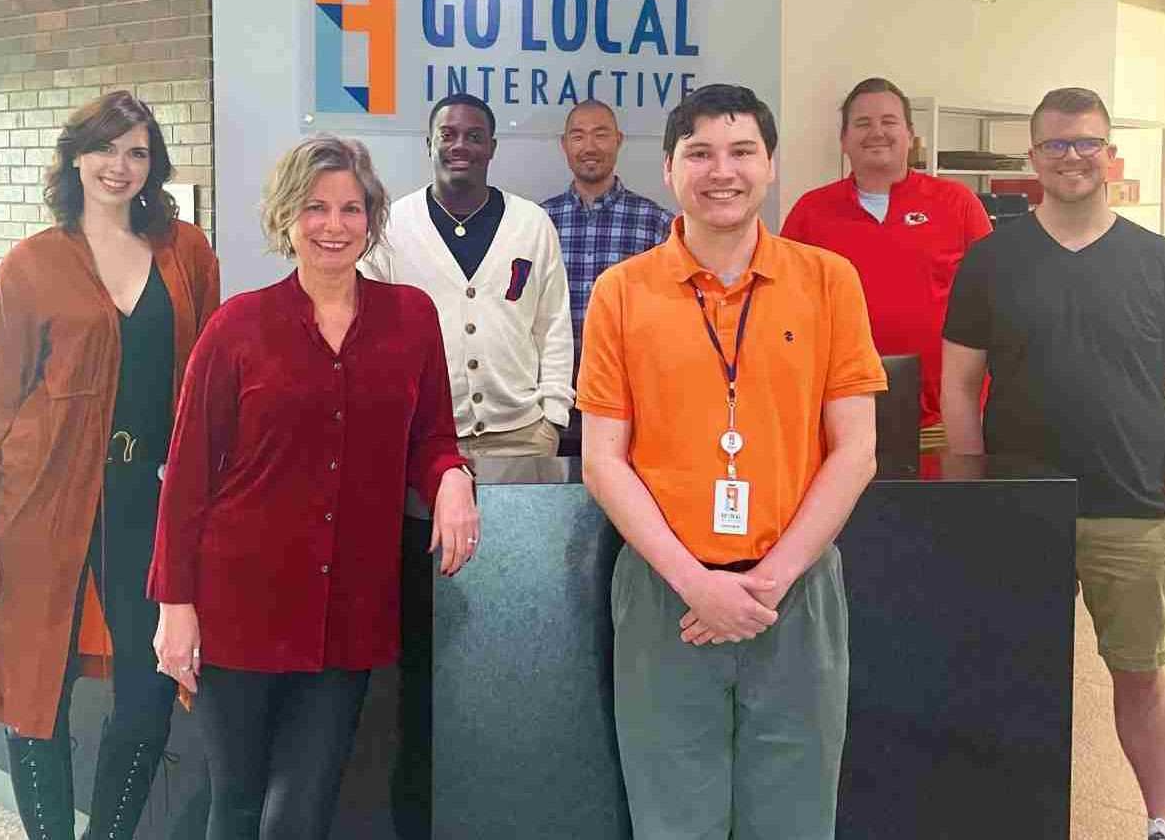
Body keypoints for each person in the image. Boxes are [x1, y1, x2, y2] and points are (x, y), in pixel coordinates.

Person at [148, 135, 479, 840]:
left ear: (371, 218)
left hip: (348, 612)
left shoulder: (411, 318)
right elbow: (187, 479)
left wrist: (452, 476)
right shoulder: (237, 327)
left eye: (351, 208)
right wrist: (175, 606)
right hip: (238, 606)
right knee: (235, 805)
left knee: (301, 814)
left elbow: (433, 437)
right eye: (315, 207)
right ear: (286, 219)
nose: (334, 224)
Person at [578, 83, 886, 839]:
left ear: (772, 165)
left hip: (796, 591)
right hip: (664, 599)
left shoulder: (828, 281)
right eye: (701, 153)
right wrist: (697, 586)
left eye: (743, 151)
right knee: (671, 817)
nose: (724, 170)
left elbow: (856, 449)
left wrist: (768, 580)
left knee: (795, 814)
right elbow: (601, 460)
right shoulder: (622, 293)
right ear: (669, 171)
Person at [941, 87, 1165, 840]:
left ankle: (1164, 821)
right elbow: (958, 386)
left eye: (1087, 142)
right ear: (1033, 158)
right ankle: (1005, 814)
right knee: (1011, 670)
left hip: (1131, 508)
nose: (1073, 156)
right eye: (1057, 144)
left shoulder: (1163, 263)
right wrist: (974, 492)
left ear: (1111, 155)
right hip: (1017, 506)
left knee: (1138, 672)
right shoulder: (990, 260)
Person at [0, 91, 220, 840]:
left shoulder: (187, 252)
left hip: (150, 502)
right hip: (38, 502)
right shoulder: (31, 265)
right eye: (106, 148)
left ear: (154, 165)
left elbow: (205, 381)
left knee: (149, 691)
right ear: (76, 156)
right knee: (34, 687)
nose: (120, 166)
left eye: (138, 152)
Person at [359, 91, 573, 838]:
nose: (461, 145)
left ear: (491, 146)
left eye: (474, 135)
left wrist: (552, 417)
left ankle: (510, 768)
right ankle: (425, 782)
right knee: (432, 622)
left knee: (519, 615)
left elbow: (554, 323)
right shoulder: (395, 229)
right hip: (425, 446)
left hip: (519, 442)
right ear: (428, 143)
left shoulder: (529, 225)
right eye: (448, 134)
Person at [781, 77, 991, 447]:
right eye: (862, 123)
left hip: (945, 419)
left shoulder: (957, 204)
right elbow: (784, 313)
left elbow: (994, 300)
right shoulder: (810, 212)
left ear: (910, 135)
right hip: (840, 417)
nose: (876, 132)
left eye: (889, 122)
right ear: (844, 140)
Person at [542, 99, 674, 373]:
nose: (589, 147)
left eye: (601, 135)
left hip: (631, 385)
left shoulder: (656, 223)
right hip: (555, 387)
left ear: (619, 140)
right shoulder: (539, 222)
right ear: (564, 144)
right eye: (578, 136)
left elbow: (673, 317)